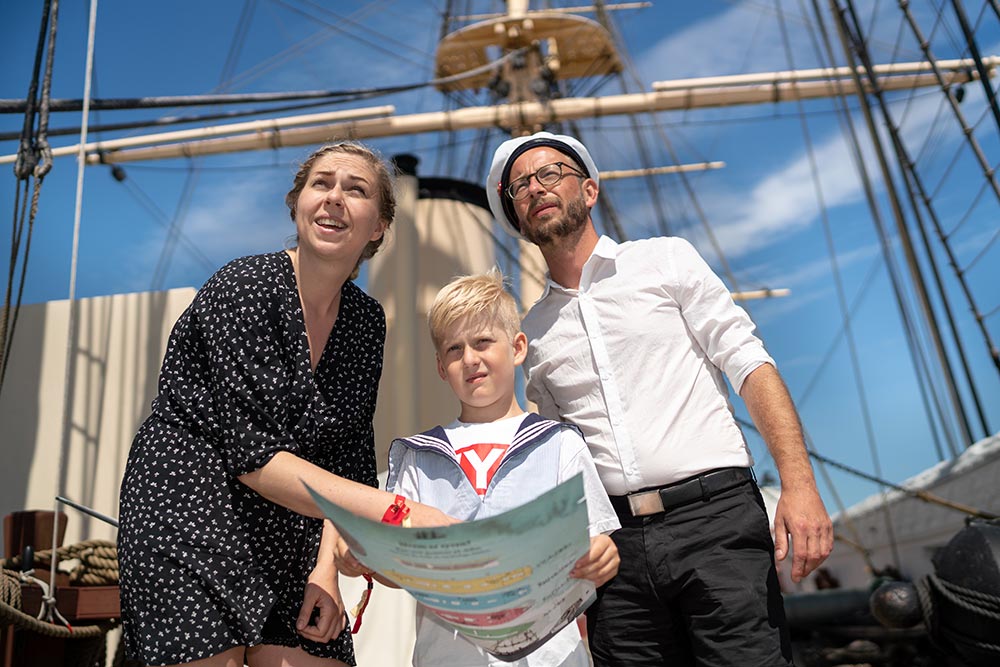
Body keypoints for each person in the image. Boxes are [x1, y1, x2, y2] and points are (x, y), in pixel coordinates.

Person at [485, 131, 834, 666]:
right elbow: (561, 462)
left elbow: (749, 363)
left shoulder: (666, 261)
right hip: (613, 551)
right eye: (520, 186)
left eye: (551, 172)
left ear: (590, 189)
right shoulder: (534, 332)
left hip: (716, 522)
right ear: (516, 215)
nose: (535, 187)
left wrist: (800, 484)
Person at [117, 141, 451, 667]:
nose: (335, 198)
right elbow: (254, 457)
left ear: (379, 225)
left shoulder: (365, 323)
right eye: (321, 184)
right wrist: (397, 511)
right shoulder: (244, 286)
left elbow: (345, 459)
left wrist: (325, 572)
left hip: (293, 527)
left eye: (356, 189)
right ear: (298, 204)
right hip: (191, 507)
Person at [337, 269, 620, 667]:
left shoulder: (560, 443)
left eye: (483, 341)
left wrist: (601, 554)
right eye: (454, 350)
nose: (470, 359)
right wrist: (368, 557)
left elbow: (598, 542)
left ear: (518, 347)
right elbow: (397, 568)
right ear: (440, 367)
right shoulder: (417, 456)